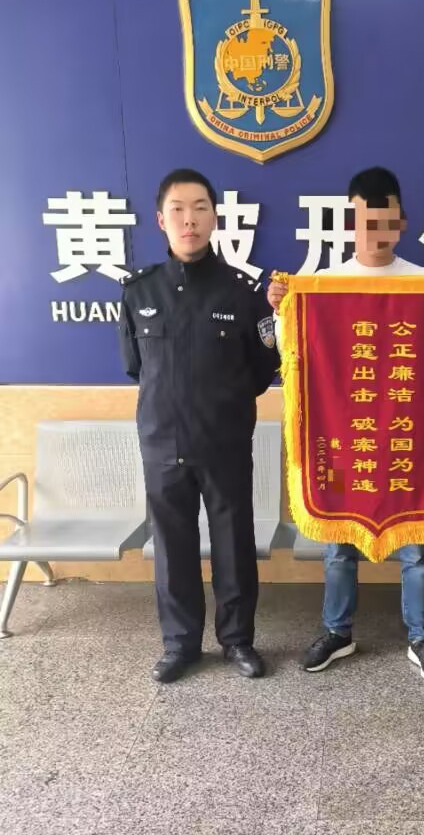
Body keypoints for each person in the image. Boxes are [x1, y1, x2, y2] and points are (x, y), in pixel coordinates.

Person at [267, 167, 424, 683]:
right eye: (365, 221)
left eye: (386, 220)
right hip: (344, 437)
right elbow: (293, 358)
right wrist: (282, 313)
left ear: (402, 223)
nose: (376, 231)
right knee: (338, 541)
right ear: (350, 224)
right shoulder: (322, 285)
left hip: (407, 438)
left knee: (416, 545)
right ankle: (337, 632)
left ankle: (422, 637)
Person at [119, 168, 280, 683]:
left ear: (214, 217)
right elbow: (135, 367)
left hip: (224, 440)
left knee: (234, 542)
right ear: (160, 220)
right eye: (178, 210)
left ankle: (238, 641)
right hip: (161, 441)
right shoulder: (138, 291)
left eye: (200, 209)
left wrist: (221, 404)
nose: (189, 220)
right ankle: (180, 644)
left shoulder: (241, 292)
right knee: (172, 547)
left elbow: (263, 368)